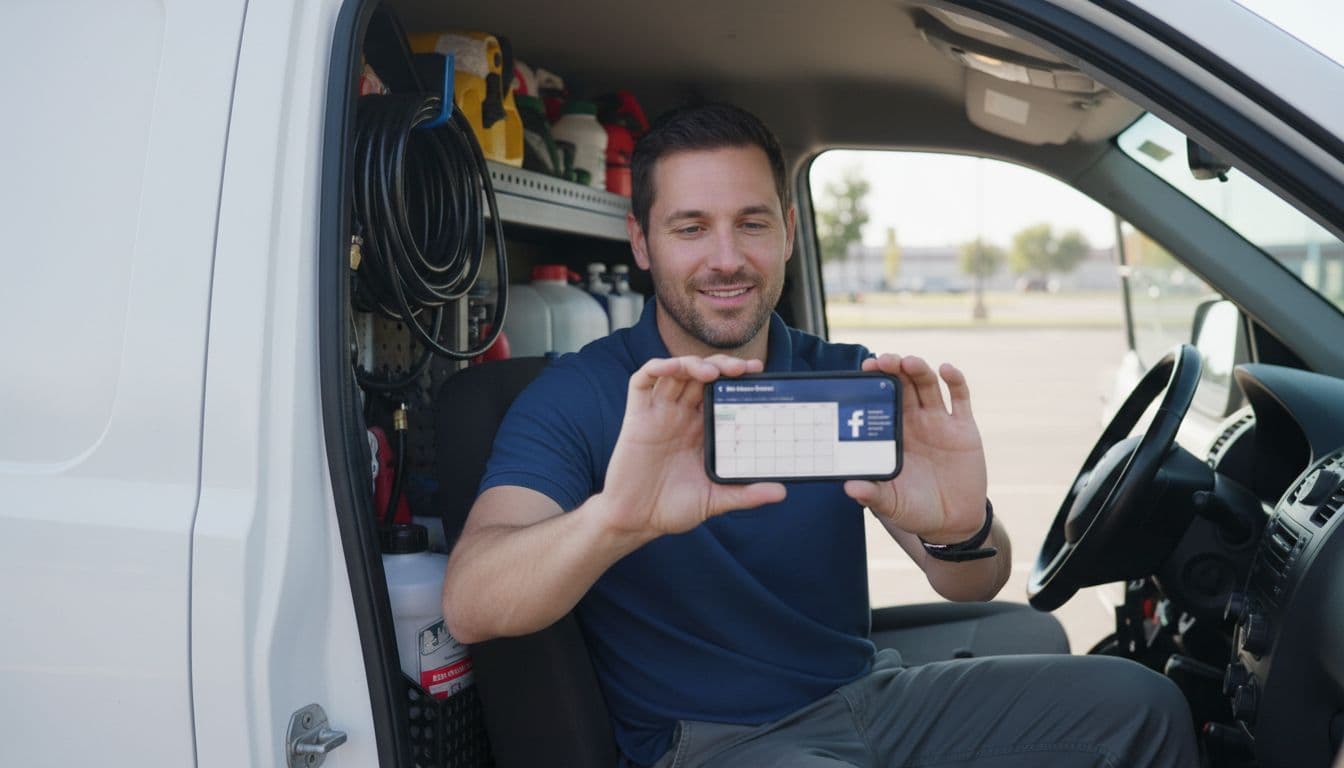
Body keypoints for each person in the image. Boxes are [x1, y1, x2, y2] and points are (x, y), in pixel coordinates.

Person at [443, 102, 1197, 767]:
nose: (728, 258)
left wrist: (962, 527)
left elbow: (976, 579)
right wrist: (614, 521)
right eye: (691, 228)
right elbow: (473, 602)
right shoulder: (580, 396)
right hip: (718, 742)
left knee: (1142, 706)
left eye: (752, 222)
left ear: (790, 230)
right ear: (642, 242)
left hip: (870, 699)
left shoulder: (846, 377)